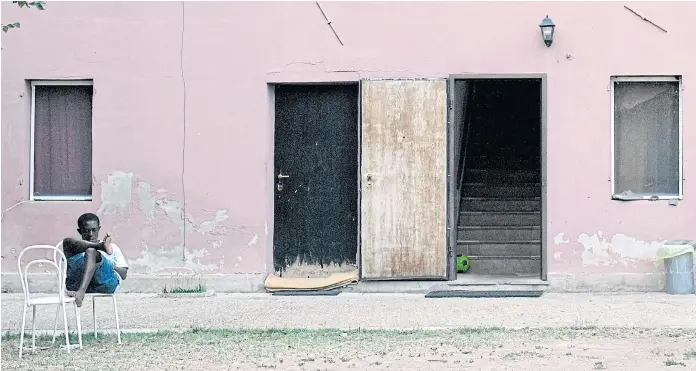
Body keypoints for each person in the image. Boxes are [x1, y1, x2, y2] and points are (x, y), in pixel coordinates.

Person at [62, 213, 129, 307]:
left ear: (99, 228)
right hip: (75, 285)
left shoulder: (113, 247)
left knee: (91, 252)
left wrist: (106, 264)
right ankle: (98, 246)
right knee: (66, 241)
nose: (91, 234)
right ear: (79, 231)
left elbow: (124, 274)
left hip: (104, 285)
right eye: (86, 231)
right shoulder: (75, 248)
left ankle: (81, 293)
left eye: (94, 230)